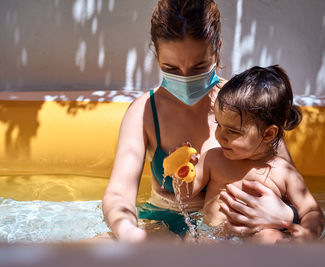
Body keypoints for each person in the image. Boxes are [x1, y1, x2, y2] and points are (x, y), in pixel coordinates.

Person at [101, 0, 300, 242]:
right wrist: (130, 234)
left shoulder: (247, 106)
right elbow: (119, 195)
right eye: (171, 68)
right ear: (156, 54)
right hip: (165, 223)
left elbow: (290, 183)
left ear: (217, 48)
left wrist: (287, 214)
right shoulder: (144, 111)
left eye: (199, 67)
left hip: (238, 229)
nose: (185, 78)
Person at [178, 66, 325, 243]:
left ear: (268, 134)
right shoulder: (214, 158)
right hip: (211, 237)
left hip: (255, 241)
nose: (219, 135)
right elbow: (185, 193)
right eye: (218, 124)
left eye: (232, 131)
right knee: (191, 239)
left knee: (271, 238)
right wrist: (184, 170)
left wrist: (308, 233)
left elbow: (311, 211)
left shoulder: (283, 173)